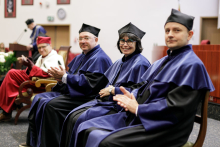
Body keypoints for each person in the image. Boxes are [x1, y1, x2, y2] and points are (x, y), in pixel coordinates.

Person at [72, 9, 215, 147]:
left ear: (189, 34)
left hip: (164, 128)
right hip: (143, 116)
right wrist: (131, 97)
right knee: (85, 127)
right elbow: (142, 87)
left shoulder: (192, 65)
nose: (170, 34)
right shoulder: (164, 60)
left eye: (176, 30)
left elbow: (176, 108)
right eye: (167, 31)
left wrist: (139, 109)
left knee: (105, 141)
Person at [59, 22, 151, 147]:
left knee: (79, 119)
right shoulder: (120, 61)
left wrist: (114, 90)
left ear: (137, 43)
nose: (125, 44)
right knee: (72, 116)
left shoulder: (140, 63)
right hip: (105, 101)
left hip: (119, 108)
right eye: (122, 41)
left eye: (129, 41)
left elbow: (139, 92)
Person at [20, 23, 112, 147]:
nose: (82, 41)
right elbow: (69, 76)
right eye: (80, 38)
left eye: (86, 38)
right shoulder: (81, 56)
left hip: (87, 97)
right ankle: (35, 141)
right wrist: (60, 79)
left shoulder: (100, 58)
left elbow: (91, 85)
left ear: (95, 40)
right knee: (38, 99)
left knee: (51, 105)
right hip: (75, 91)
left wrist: (65, 77)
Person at [0, 36, 65, 122]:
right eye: (39, 47)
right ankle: (7, 111)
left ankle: (6, 112)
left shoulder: (55, 57)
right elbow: (36, 70)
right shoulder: (43, 56)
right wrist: (28, 64)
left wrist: (31, 66)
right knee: (11, 78)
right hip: (35, 81)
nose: (41, 50)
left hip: (42, 85)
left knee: (11, 73)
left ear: (50, 45)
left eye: (43, 47)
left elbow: (47, 75)